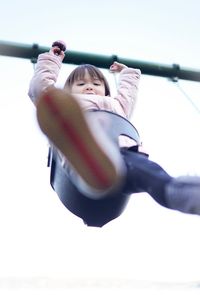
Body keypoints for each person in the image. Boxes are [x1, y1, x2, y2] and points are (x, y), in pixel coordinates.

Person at [28, 41, 200, 223]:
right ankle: (91, 162)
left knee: (159, 181)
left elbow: (128, 93)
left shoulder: (116, 106)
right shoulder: (70, 105)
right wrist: (52, 59)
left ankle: (187, 194)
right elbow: (40, 89)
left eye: (96, 83)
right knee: (76, 140)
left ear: (106, 91)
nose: (89, 86)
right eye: (80, 84)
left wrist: (127, 74)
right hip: (80, 160)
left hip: (127, 157)